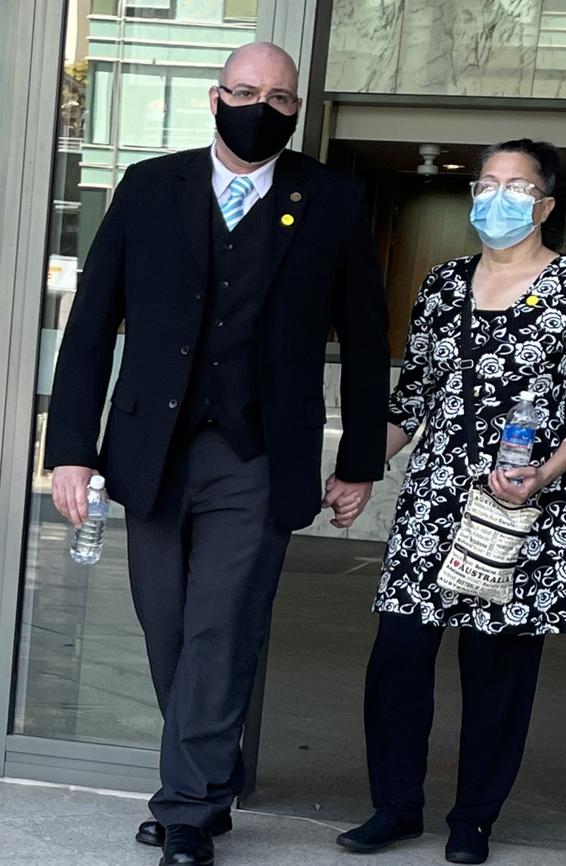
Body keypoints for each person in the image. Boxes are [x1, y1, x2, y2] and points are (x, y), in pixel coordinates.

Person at [45, 42, 389, 866]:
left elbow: (369, 341)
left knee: (219, 630)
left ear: (296, 109)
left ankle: (189, 810)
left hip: (258, 455)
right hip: (151, 450)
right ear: (213, 96)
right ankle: (211, 773)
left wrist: (361, 460)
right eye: (244, 91)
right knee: (167, 630)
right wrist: (70, 450)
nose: (259, 107)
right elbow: (93, 326)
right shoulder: (149, 187)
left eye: (278, 98)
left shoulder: (334, 199)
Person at [336, 139, 566, 864]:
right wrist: (361, 466)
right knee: (398, 657)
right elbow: (413, 398)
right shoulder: (442, 284)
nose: (498, 198)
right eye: (486, 184)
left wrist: (552, 467)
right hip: (434, 501)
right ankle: (395, 806)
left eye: (516, 187)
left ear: (546, 205)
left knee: (497, 671)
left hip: (520, 505)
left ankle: (473, 820)